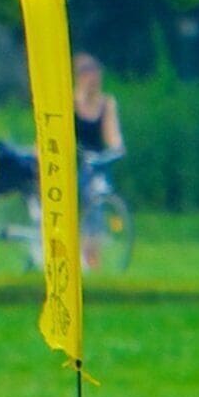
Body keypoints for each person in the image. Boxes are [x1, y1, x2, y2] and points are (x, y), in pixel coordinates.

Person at [74, 52, 127, 269]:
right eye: (87, 73)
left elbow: (112, 133)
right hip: (74, 159)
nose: (93, 78)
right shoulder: (70, 102)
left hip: (95, 162)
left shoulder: (106, 103)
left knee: (96, 198)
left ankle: (91, 255)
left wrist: (117, 147)